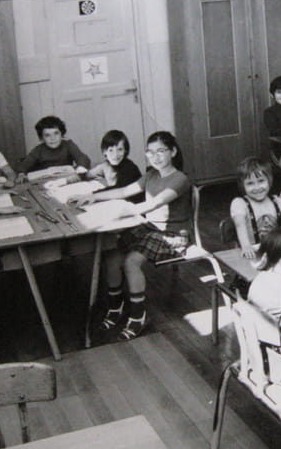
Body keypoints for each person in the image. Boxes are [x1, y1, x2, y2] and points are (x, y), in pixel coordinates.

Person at [70, 131, 191, 340]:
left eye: (161, 151)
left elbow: (155, 203)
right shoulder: (151, 175)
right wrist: (92, 197)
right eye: (150, 152)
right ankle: (115, 306)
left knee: (131, 262)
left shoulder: (180, 179)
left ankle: (138, 316)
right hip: (149, 228)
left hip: (171, 235)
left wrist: (123, 211)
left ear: (172, 152)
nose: (155, 157)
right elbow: (124, 191)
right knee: (111, 252)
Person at [15, 115, 91, 182]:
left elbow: (82, 158)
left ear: (62, 134)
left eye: (56, 133)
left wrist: (80, 168)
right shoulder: (38, 150)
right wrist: (21, 174)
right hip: (45, 182)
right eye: (47, 135)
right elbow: (24, 165)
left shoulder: (68, 145)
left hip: (66, 179)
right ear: (42, 138)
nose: (52, 138)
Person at [84, 129, 143, 203]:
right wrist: (79, 176)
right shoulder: (106, 164)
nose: (115, 155)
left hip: (134, 205)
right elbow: (88, 174)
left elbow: (118, 189)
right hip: (119, 202)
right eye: (111, 150)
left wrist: (92, 194)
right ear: (104, 151)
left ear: (125, 150)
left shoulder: (129, 167)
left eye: (120, 149)